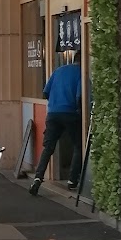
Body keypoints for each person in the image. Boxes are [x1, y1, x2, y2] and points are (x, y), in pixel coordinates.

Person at [29, 49, 82, 195]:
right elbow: (80, 97)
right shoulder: (82, 73)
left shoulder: (59, 71)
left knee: (48, 148)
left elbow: (45, 92)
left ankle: (38, 178)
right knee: (78, 145)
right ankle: (72, 180)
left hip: (53, 113)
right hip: (71, 113)